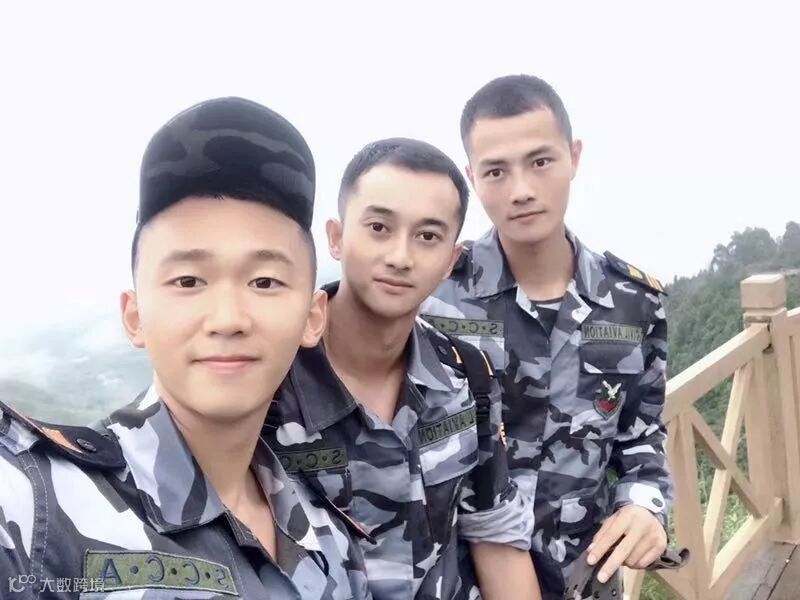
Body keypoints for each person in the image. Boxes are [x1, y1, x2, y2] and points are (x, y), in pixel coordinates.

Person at [0, 97, 372, 599]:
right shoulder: (36, 512)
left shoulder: (331, 540)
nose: (228, 319)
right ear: (135, 317)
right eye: (188, 280)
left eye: (264, 281)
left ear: (312, 318)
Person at [420, 75, 675, 598]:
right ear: (472, 176)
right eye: (496, 171)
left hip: (585, 578)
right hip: (462, 582)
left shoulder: (633, 303)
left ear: (574, 157)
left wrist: (644, 505)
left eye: (540, 161)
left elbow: (641, 435)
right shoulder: (432, 298)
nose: (521, 190)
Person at [262, 138, 540, 600]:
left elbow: (496, 535)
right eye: (378, 227)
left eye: (427, 236)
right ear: (336, 237)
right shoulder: (267, 382)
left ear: (451, 261)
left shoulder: (467, 376)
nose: (399, 256)